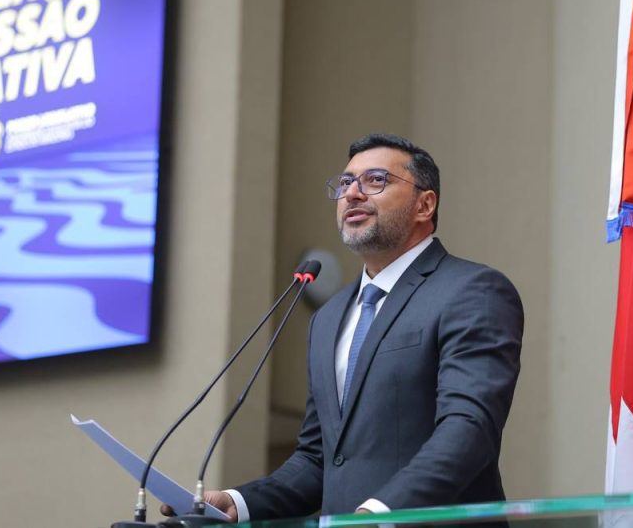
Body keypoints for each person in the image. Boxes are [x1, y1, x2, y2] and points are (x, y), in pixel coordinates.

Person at [177, 133, 523, 520]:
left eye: (375, 180)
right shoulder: (328, 318)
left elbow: (469, 429)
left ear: (425, 205)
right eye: (345, 183)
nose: (353, 194)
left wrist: (382, 512)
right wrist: (238, 502)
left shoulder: (472, 291)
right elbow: (317, 459)